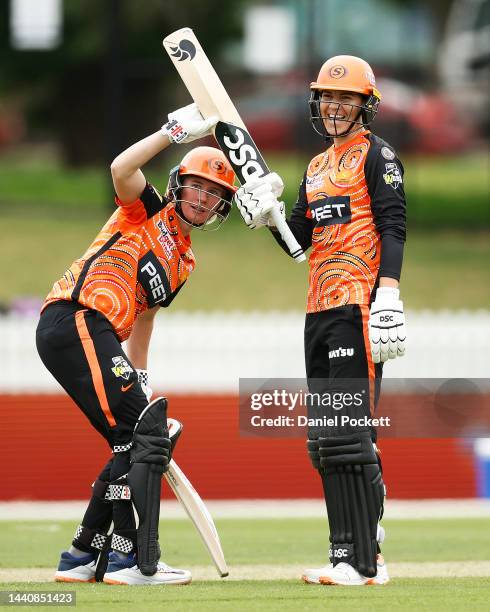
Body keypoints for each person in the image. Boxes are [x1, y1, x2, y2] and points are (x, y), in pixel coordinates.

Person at [36, 103, 236, 585]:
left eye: (215, 194)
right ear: (178, 185)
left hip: (97, 334)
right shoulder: (146, 209)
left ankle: (85, 553)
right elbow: (121, 167)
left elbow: (144, 320)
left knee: (133, 441)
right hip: (77, 315)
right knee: (144, 437)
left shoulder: (184, 263)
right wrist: (173, 131)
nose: (203, 199)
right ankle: (132, 561)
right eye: (197, 186)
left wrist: (140, 382)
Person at [235, 55, 407, 586]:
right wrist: (267, 217)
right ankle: (347, 553)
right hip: (318, 310)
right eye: (327, 98)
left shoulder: (377, 155)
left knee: (348, 435)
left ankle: (361, 560)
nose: (333, 106)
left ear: (365, 106)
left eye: (345, 99)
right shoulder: (313, 168)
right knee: (327, 438)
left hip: (359, 305)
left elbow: (394, 225)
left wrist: (389, 297)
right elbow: (298, 244)